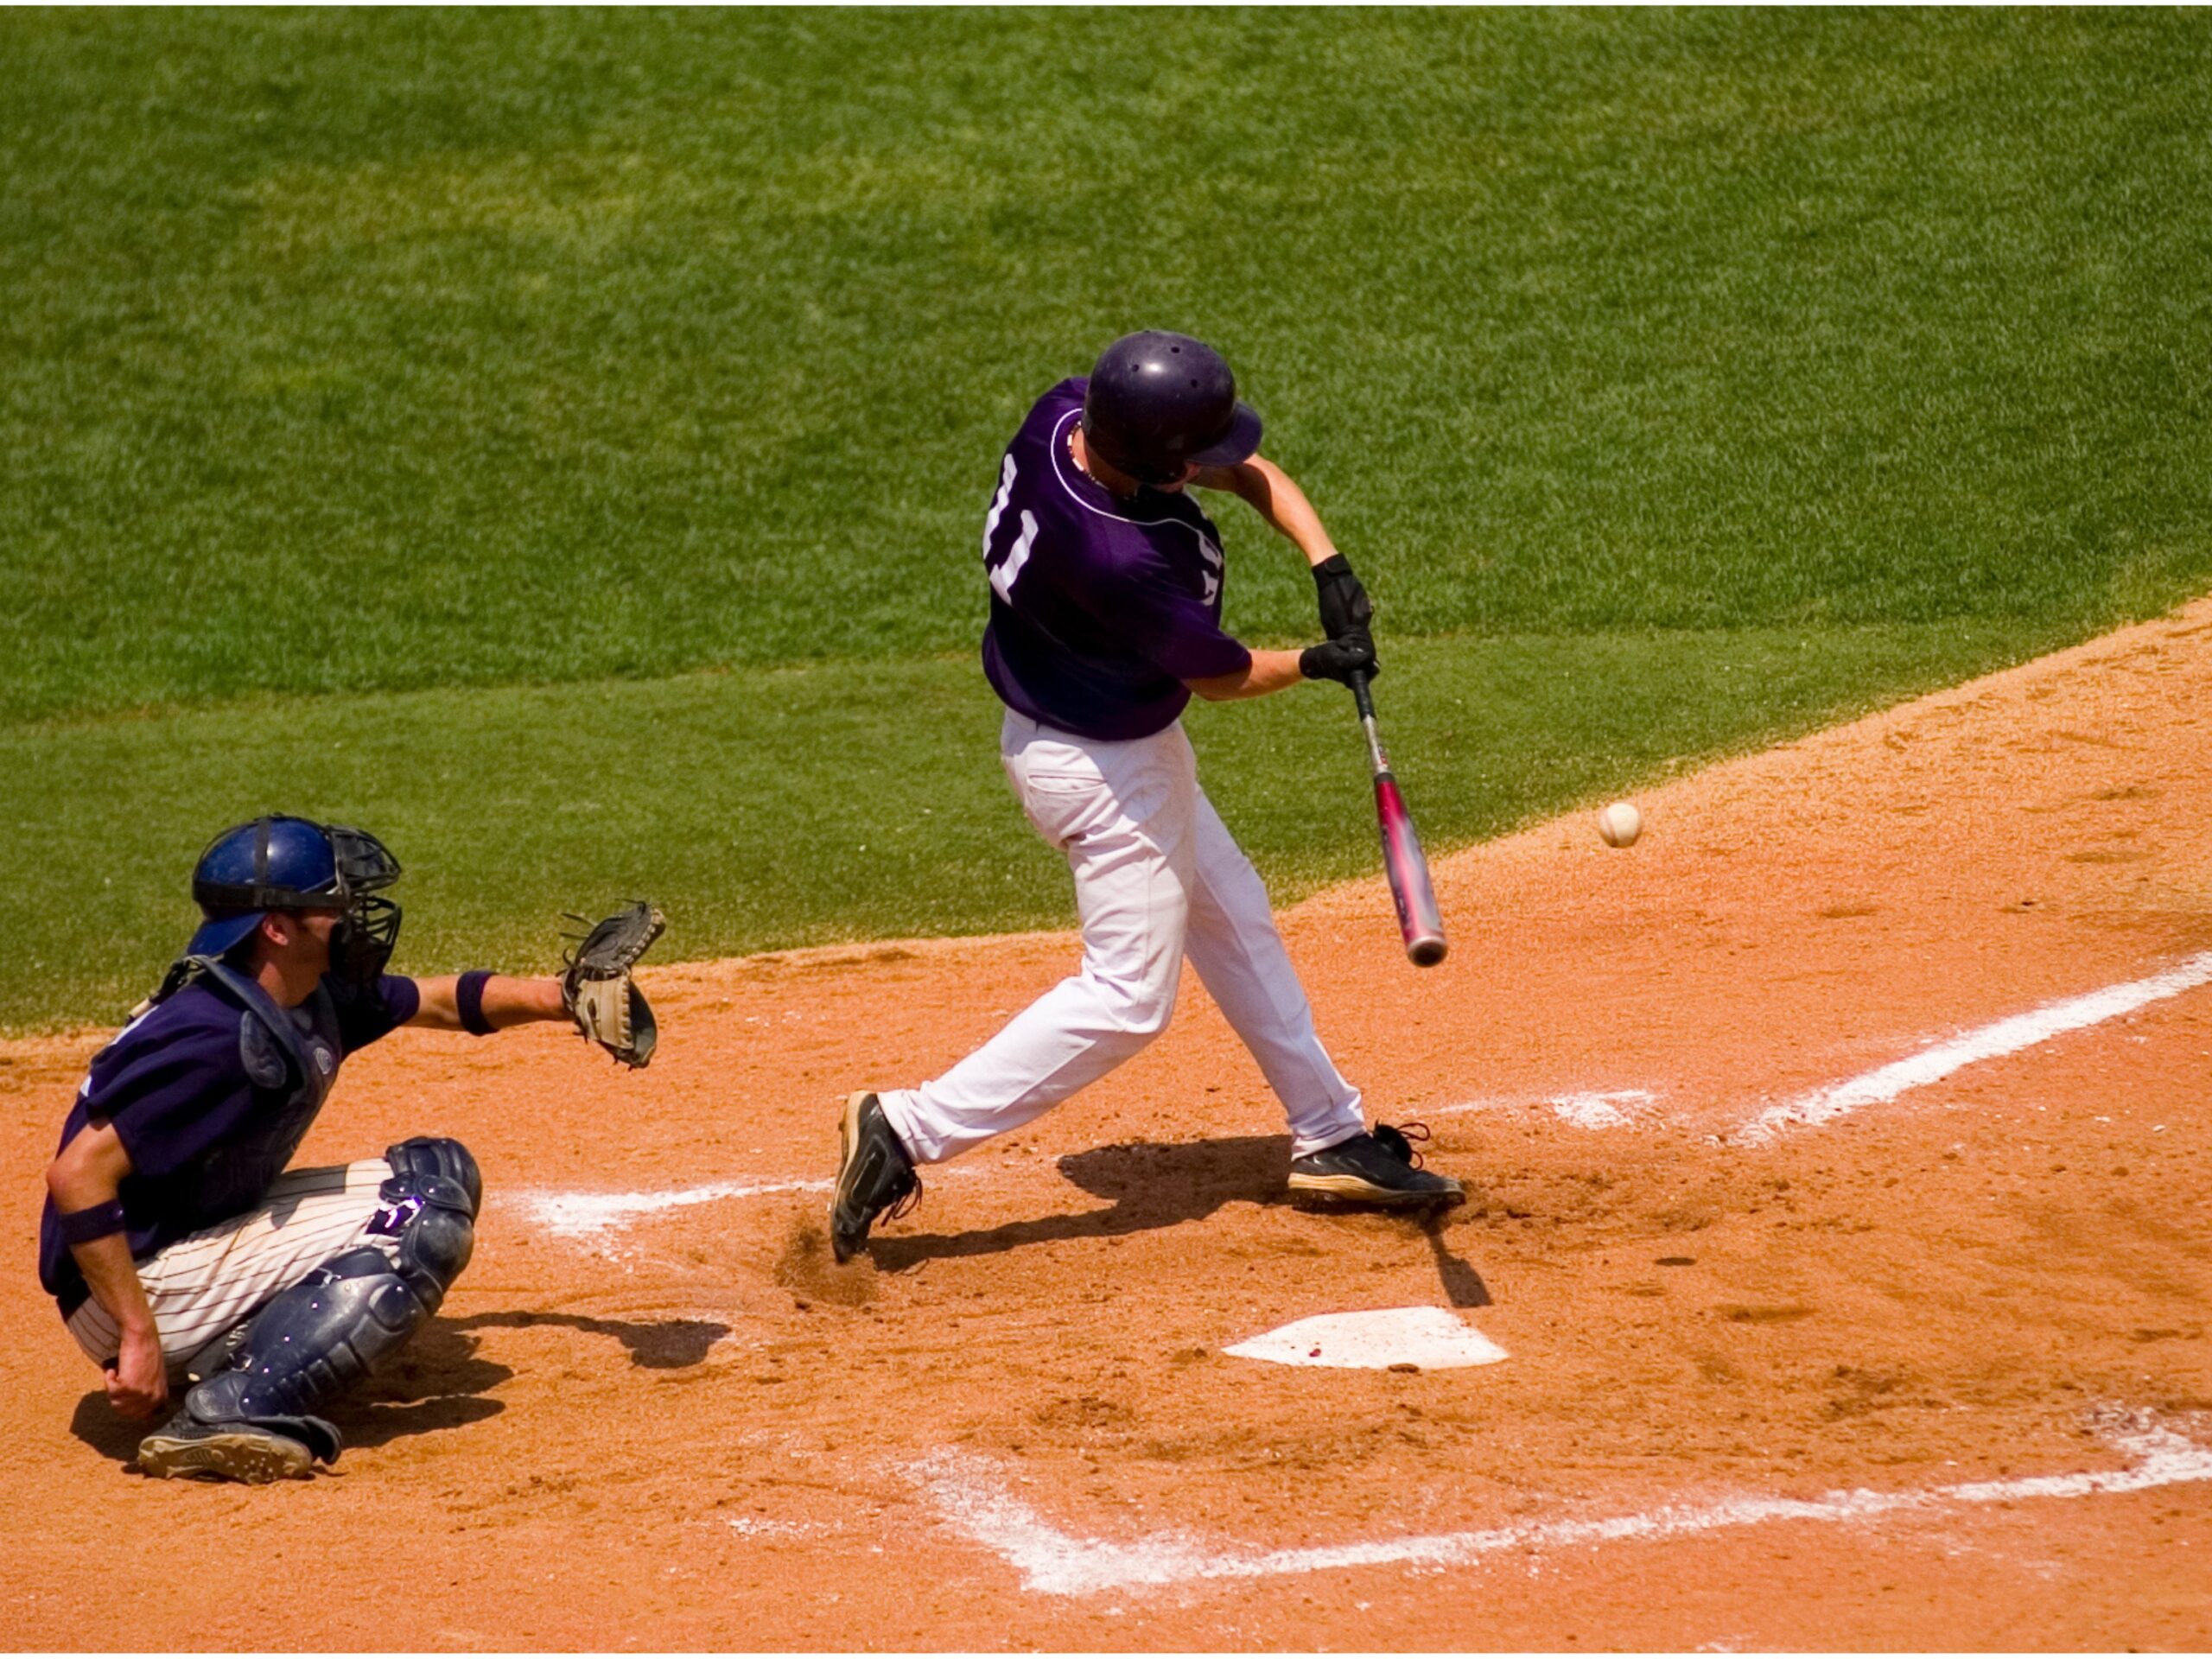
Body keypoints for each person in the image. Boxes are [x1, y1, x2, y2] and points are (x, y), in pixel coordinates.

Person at [830, 330, 1462, 1262]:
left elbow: (1243, 470)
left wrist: (1326, 564)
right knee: (1129, 998)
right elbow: (1223, 676)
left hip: (1087, 735)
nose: (1210, 463)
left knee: (1234, 913)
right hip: (1104, 769)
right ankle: (906, 1128)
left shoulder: (1067, 417)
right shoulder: (1117, 560)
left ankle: (1329, 1133)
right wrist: (1318, 662)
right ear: (1151, 462)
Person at [38, 816, 661, 1484]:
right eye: (333, 906)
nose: (353, 919)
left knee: (439, 1169)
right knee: (422, 1217)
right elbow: (77, 1175)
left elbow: (442, 1001)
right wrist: (136, 1333)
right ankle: (225, 1411)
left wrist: (560, 998)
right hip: (129, 1283)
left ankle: (241, 1349)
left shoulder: (298, 993)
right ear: (276, 927)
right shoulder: (216, 1038)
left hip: (179, 1244)